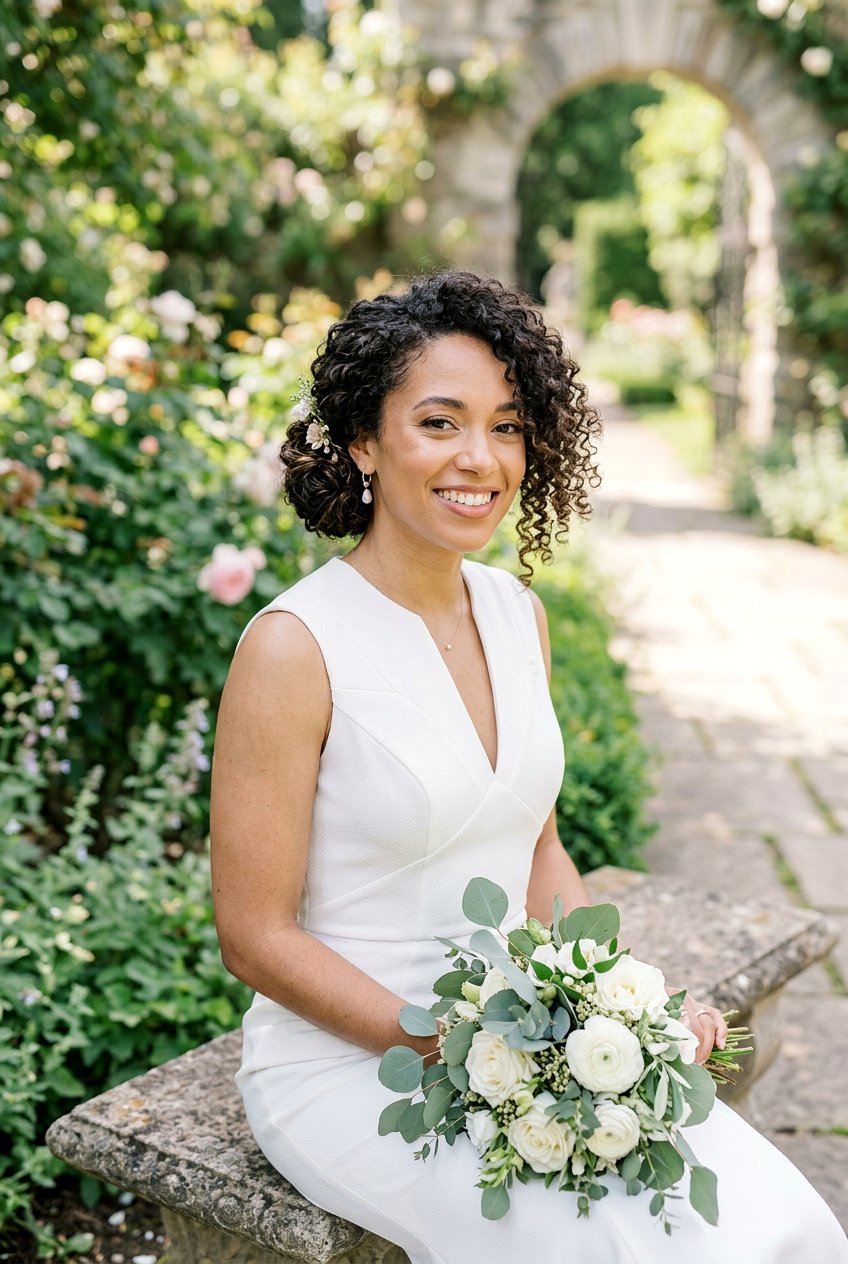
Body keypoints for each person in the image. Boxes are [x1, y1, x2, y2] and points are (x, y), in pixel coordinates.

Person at [210, 271, 847, 1263]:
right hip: (350, 1066)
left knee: (778, 1218)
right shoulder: (293, 647)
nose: (480, 458)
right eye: (439, 422)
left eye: (505, 426)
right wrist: (450, 1048)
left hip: (527, 1039)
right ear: (365, 442)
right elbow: (253, 936)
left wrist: (622, 1004)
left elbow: (535, 843)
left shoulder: (516, 614)